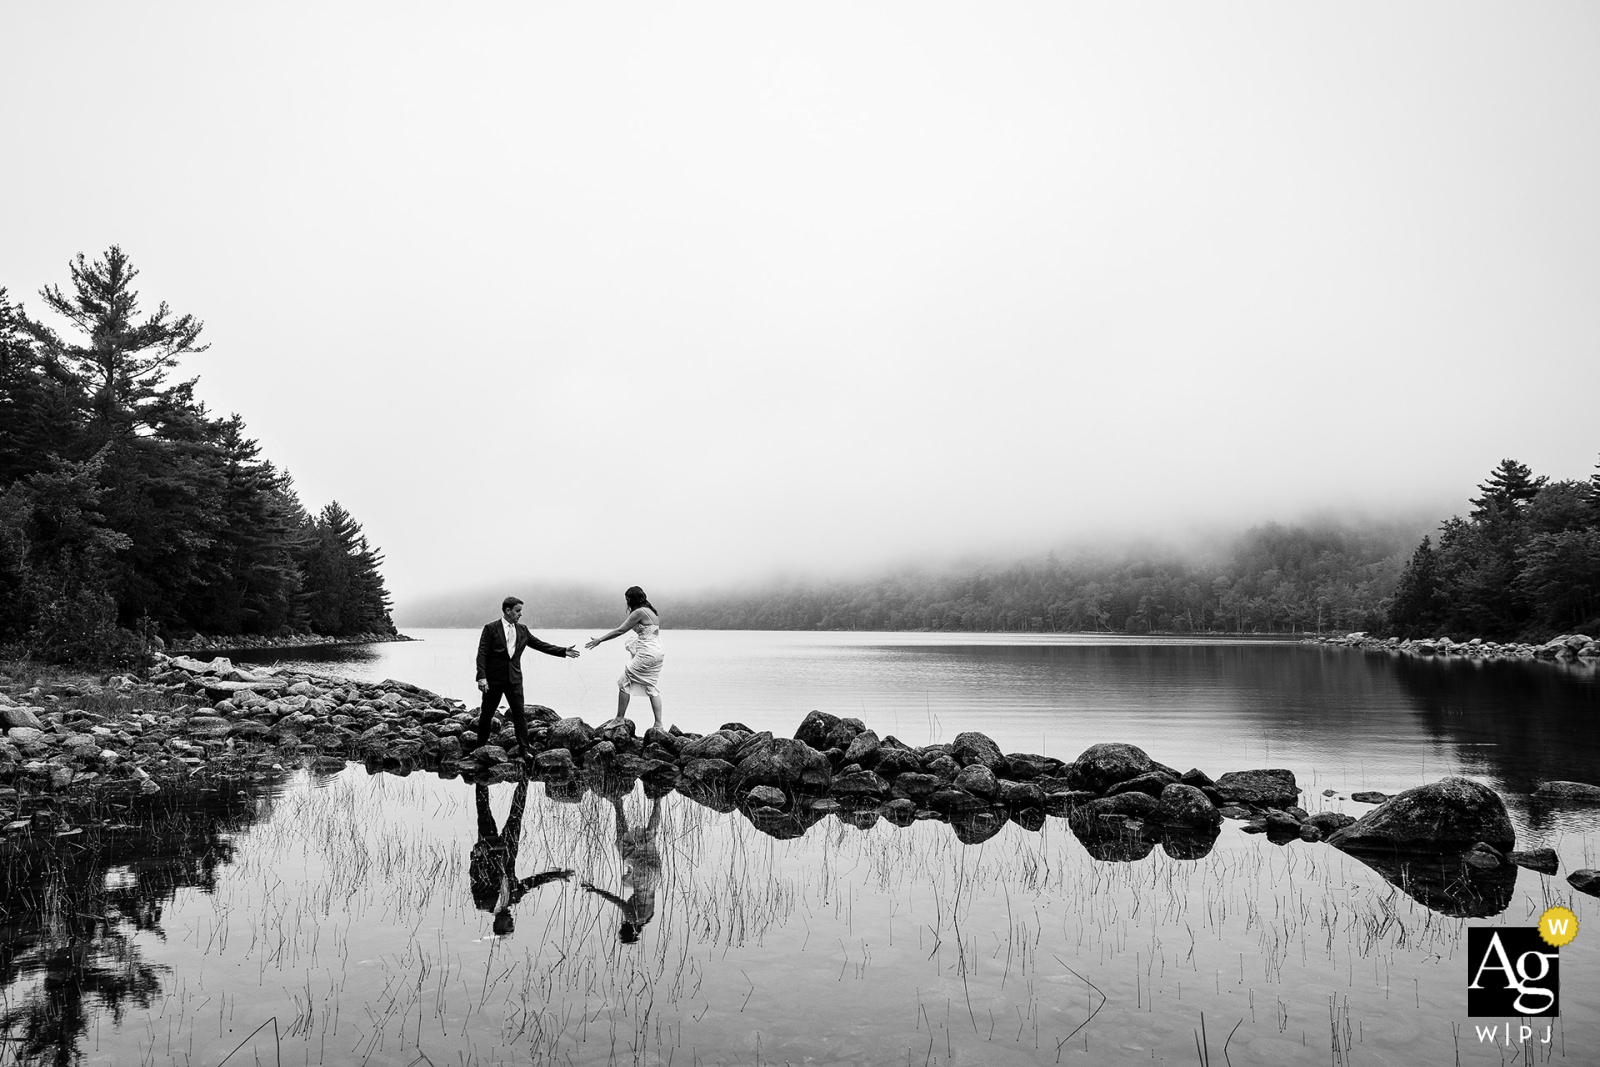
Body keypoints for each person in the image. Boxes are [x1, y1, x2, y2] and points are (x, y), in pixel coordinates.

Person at [476, 596, 579, 758]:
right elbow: (482, 654)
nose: (520, 614)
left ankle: (525, 749)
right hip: (493, 680)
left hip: (514, 680)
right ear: (507, 610)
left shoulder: (522, 630)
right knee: (486, 715)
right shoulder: (490, 628)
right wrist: (481, 677)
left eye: (521, 611)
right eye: (518, 611)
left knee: (519, 715)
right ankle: (479, 748)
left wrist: (562, 651)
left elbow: (540, 644)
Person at [469, 780, 573, 936]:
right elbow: (532, 882)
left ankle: (481, 777)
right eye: (512, 924)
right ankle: (524, 779)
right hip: (509, 848)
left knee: (484, 812)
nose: (512, 920)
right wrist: (557, 875)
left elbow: (475, 877)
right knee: (517, 815)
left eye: (509, 924)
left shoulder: (483, 903)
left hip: (488, 849)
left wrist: (476, 856)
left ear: (498, 924)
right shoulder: (514, 898)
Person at [580, 795, 662, 944]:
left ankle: (658, 800)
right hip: (642, 877)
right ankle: (618, 805)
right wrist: (595, 890)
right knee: (622, 843)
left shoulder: (648, 917)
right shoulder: (632, 917)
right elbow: (616, 900)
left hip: (655, 876)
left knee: (650, 837)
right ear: (625, 929)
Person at [584, 586, 665, 730]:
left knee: (624, 681)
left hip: (647, 652)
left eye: (627, 598)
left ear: (631, 599)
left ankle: (619, 718)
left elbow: (621, 630)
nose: (626, 602)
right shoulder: (652, 612)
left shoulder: (639, 612)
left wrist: (600, 640)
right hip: (658, 652)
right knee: (651, 686)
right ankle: (658, 724)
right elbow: (649, 634)